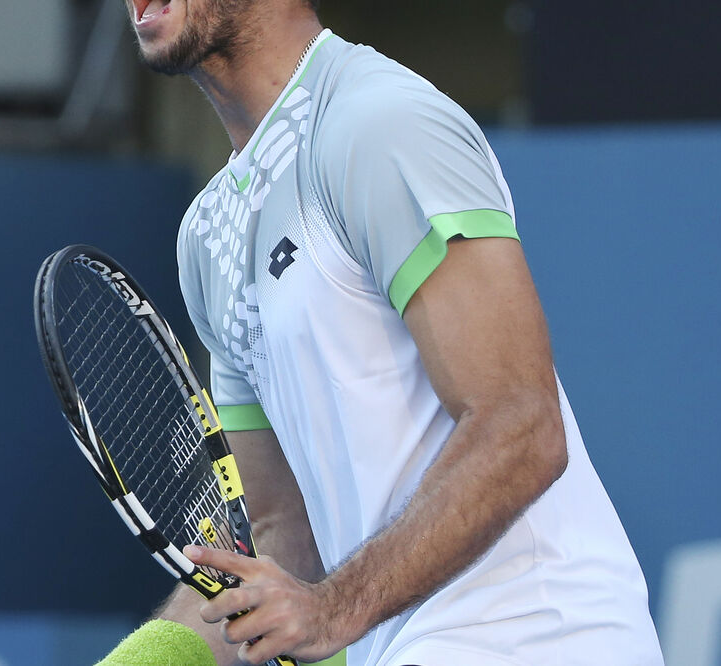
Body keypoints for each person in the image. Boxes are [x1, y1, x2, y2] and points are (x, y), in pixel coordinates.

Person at [121, 0, 665, 664]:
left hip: (537, 637)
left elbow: (522, 424)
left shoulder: (382, 123)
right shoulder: (206, 238)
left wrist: (332, 609)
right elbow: (280, 533)